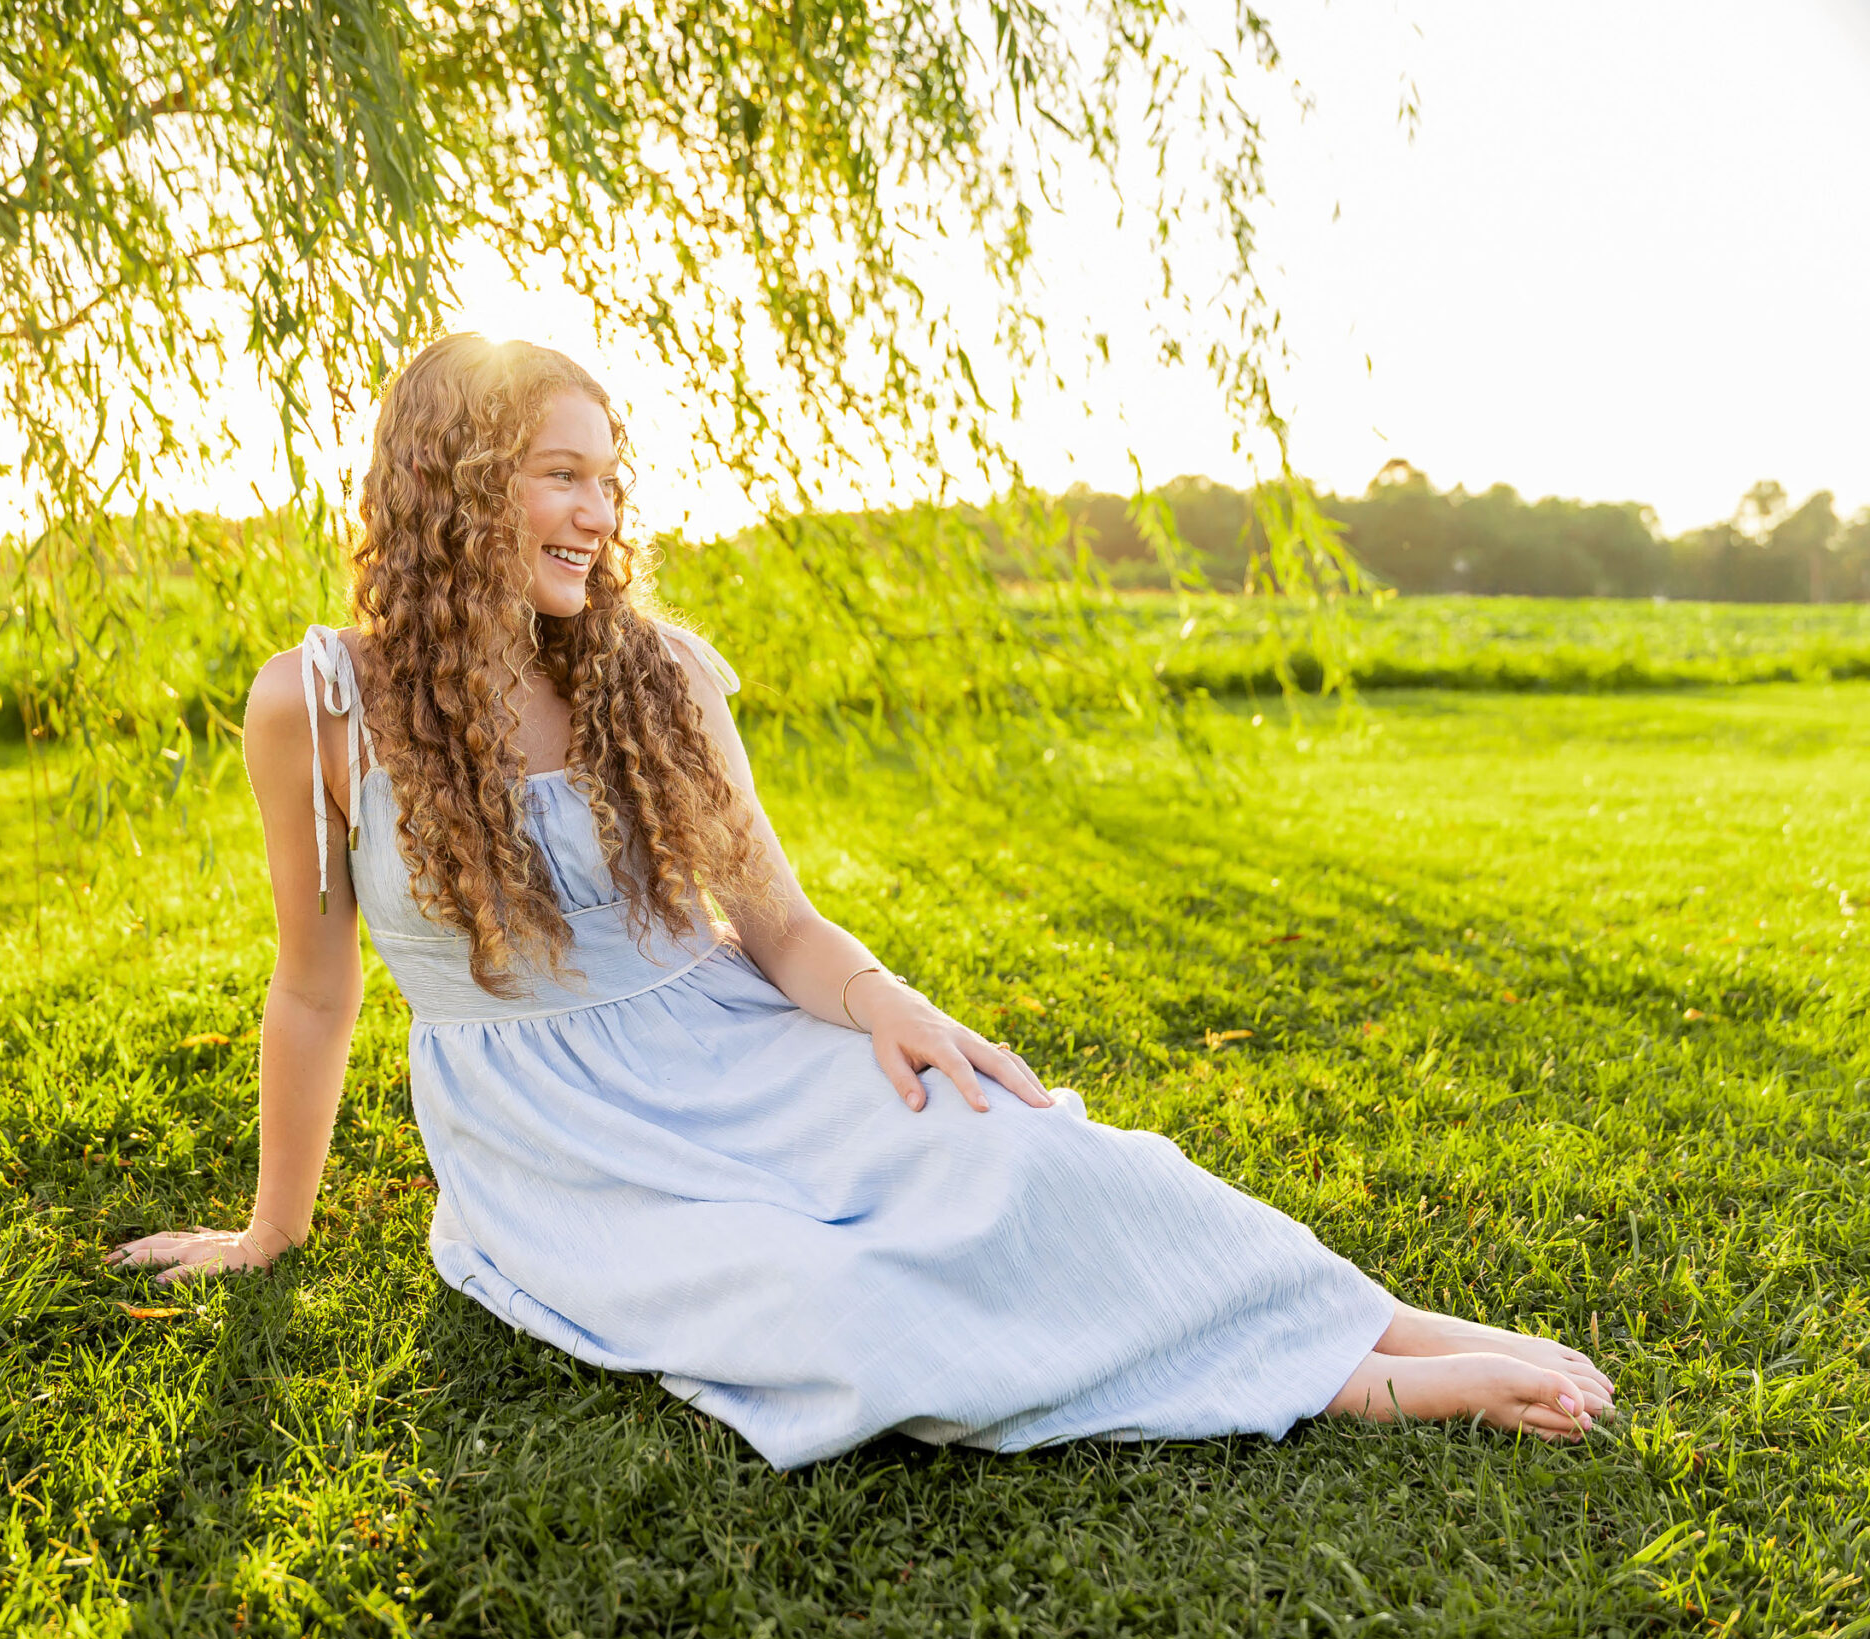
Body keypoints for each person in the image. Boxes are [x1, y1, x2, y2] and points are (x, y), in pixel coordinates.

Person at [107, 334, 1614, 1469]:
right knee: (839, 1307)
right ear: (452, 484)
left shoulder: (660, 674)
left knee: (1037, 1158)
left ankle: (1390, 1326)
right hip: (558, 1138)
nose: (599, 508)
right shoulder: (321, 703)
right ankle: (1372, 1381)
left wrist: (895, 1009)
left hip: (740, 1040)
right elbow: (318, 987)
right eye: (562, 471)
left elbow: (777, 930)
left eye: (609, 475)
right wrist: (270, 1232)